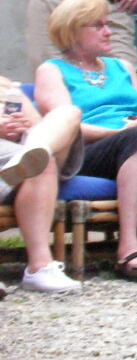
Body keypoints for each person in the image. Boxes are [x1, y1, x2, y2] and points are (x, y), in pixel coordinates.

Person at [34, 0, 137, 282]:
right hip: (84, 152)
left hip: (132, 145)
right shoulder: (52, 71)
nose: (108, 31)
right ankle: (128, 249)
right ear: (72, 30)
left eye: (107, 24)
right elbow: (64, 126)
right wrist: (119, 132)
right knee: (135, 138)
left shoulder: (120, 67)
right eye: (97, 26)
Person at [0, 76, 83, 292]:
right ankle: (25, 163)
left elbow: (37, 123)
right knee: (39, 163)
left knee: (68, 113)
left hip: (19, 151)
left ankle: (40, 269)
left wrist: (21, 125)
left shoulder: (6, 85)